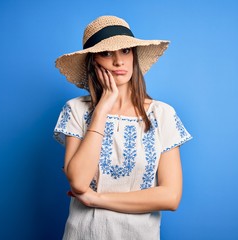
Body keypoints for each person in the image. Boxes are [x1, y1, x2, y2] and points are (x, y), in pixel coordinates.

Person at [53, 15, 192, 240]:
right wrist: (102, 110)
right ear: (92, 61)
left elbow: (170, 197)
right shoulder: (77, 110)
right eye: (107, 53)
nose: (119, 61)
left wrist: (97, 199)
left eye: (125, 50)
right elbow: (78, 182)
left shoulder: (162, 114)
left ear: (134, 56)